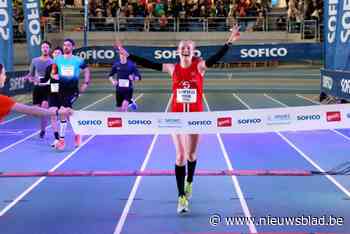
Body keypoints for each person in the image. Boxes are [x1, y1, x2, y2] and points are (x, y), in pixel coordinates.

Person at [117, 25, 240, 214]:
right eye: (182, 47)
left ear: (193, 51)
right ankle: (181, 197)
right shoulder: (171, 68)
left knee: (191, 155)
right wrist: (130, 55)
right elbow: (150, 64)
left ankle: (189, 181)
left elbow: (216, 58)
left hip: (195, 117)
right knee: (180, 156)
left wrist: (229, 41)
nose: (185, 49)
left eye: (188, 47)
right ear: (178, 50)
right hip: (176, 117)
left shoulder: (199, 66)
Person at [52, 38, 91, 150]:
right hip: (61, 90)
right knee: (66, 113)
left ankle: (62, 141)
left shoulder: (78, 60)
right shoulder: (57, 59)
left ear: (73, 47)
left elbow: (87, 70)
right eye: (64, 45)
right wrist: (55, 76)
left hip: (73, 91)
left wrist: (86, 83)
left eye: (68, 45)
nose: (66, 47)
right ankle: (78, 132)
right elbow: (53, 73)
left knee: (64, 110)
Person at [0, 63, 72, 122]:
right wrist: (59, 112)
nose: (5, 77)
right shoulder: (3, 100)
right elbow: (31, 110)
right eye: (3, 74)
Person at [25, 41, 54, 138]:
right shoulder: (34, 60)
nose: (45, 49)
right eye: (43, 47)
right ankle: (43, 118)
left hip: (47, 88)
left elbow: (54, 76)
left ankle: (42, 131)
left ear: (49, 49)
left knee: (44, 109)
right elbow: (31, 74)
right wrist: (28, 77)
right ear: (41, 49)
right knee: (36, 111)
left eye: (47, 47)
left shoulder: (52, 62)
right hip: (37, 88)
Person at [42, 46, 64, 147]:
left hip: (63, 93)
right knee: (53, 115)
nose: (56, 54)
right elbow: (46, 80)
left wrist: (58, 78)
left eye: (59, 53)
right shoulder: (48, 68)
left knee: (65, 116)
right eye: (55, 53)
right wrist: (37, 81)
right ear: (52, 54)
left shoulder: (65, 66)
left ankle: (67, 136)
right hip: (52, 94)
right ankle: (56, 138)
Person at [109, 45, 141, 112]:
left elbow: (139, 77)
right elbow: (110, 76)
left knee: (124, 108)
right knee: (119, 110)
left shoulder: (131, 65)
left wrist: (134, 78)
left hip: (128, 90)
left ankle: (129, 102)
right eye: (121, 54)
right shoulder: (116, 65)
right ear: (119, 55)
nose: (122, 56)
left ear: (126, 55)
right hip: (119, 90)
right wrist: (113, 81)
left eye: (123, 54)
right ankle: (131, 102)